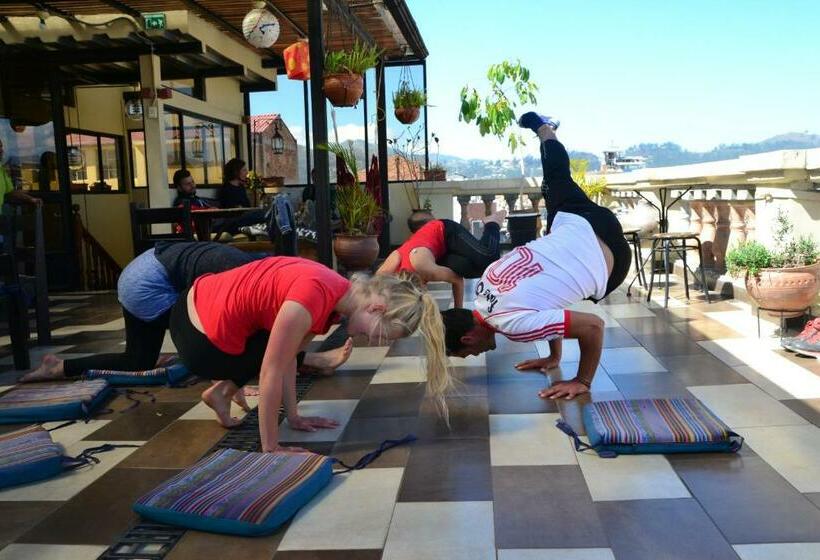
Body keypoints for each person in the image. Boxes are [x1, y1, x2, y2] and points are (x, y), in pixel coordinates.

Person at [441, 113, 632, 400]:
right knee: (556, 178)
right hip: (584, 220)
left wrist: (582, 380)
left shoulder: (512, 326)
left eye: (466, 354)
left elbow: (594, 326)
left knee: (554, 185)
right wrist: (554, 357)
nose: (473, 356)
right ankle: (544, 129)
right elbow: (544, 303)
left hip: (612, 260)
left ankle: (545, 128)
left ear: (468, 339)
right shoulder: (485, 284)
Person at [169, 257, 450, 452]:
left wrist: (294, 417)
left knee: (282, 348)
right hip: (197, 334)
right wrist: (272, 447)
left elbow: (291, 358)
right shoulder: (313, 296)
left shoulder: (336, 296)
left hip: (201, 312)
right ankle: (224, 390)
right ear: (376, 309)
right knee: (274, 354)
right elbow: (271, 372)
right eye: (380, 334)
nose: (373, 340)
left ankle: (222, 393)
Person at [22, 242, 353, 385]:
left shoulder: (253, 271)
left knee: (138, 358)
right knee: (234, 339)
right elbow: (224, 329)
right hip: (149, 284)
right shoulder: (240, 275)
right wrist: (243, 375)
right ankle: (310, 360)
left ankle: (60, 366)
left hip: (142, 270)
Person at [376, 212, 506, 308]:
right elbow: (375, 282)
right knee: (479, 270)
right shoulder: (387, 272)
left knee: (488, 257)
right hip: (438, 253)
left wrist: (458, 312)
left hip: (445, 231)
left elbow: (457, 280)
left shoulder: (426, 269)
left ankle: (492, 223)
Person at [0, 139, 42, 208]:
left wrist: (31, 199)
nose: (1, 150)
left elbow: (11, 193)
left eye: (1, 147)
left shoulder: (2, 171)